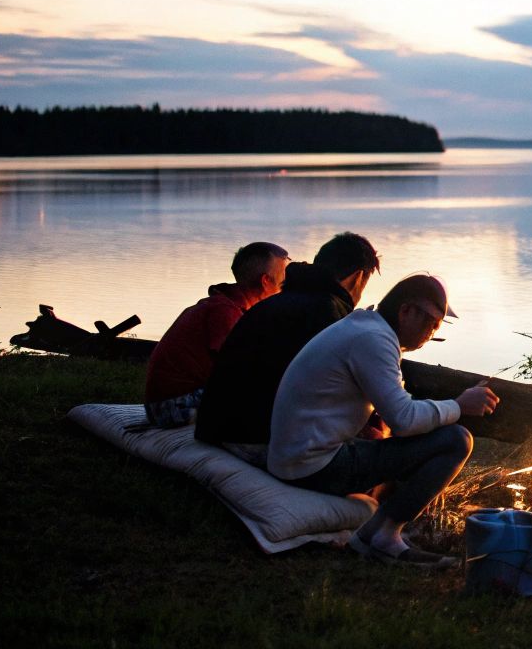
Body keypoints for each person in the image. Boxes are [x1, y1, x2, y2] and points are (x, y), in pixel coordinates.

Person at [268, 274, 498, 567]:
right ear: (406, 311)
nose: (432, 333)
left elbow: (399, 410)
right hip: (312, 465)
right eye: (431, 324)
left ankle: (380, 529)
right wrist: (459, 405)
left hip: (298, 454)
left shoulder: (366, 328)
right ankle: (382, 538)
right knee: (456, 440)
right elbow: (403, 420)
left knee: (424, 438)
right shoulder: (373, 340)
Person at [194, 232, 380, 457]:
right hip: (258, 440)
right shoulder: (330, 314)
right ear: (358, 277)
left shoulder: (274, 303)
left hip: (216, 429)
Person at [142, 241, 290, 426]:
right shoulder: (224, 312)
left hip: (170, 403)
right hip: (169, 408)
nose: (285, 285)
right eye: (283, 278)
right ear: (266, 281)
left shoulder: (228, 305)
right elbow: (236, 368)